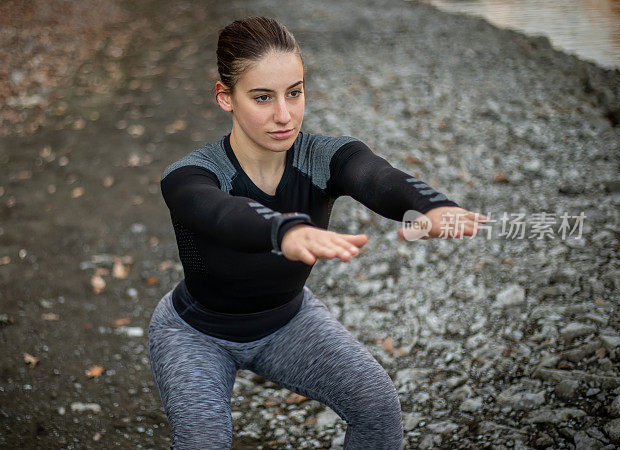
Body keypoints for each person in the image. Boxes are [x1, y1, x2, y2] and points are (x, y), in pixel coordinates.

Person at [148, 16, 488, 449]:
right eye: (262, 98)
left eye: (295, 92)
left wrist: (433, 206)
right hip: (195, 332)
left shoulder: (323, 157)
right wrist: (285, 230)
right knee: (203, 442)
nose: (284, 115)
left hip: (288, 320)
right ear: (225, 97)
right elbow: (219, 213)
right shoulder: (191, 175)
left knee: (377, 406)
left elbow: (378, 178)